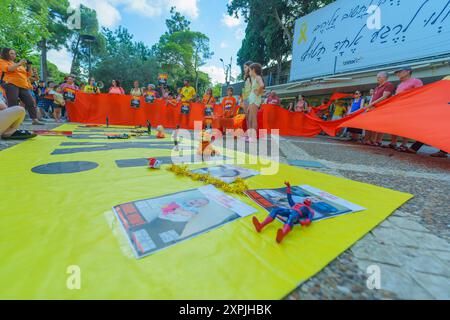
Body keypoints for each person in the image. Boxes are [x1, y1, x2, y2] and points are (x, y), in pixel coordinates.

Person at [0, 48, 43, 125]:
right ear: (5, 54)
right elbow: (9, 69)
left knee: (30, 101)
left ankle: (34, 119)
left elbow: (28, 75)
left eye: (14, 53)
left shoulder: (17, 64)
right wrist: (19, 63)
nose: (14, 55)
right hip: (10, 83)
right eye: (11, 53)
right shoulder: (2, 61)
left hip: (23, 85)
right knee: (13, 102)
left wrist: (29, 66)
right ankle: (13, 121)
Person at [386, 67, 424, 152]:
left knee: (405, 126)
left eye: (399, 72)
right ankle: (393, 143)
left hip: (408, 108)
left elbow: (420, 93)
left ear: (408, 72)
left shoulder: (416, 81)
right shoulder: (399, 85)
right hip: (397, 108)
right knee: (394, 125)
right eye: (397, 73)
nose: (398, 74)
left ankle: (404, 144)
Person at [364, 72, 395, 146]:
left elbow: (384, 96)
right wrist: (369, 105)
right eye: (377, 77)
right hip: (372, 108)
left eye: (379, 77)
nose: (377, 78)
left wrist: (371, 104)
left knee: (375, 125)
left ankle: (374, 140)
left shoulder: (388, 85)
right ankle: (367, 139)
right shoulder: (377, 87)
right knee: (368, 125)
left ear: (385, 77)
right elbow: (373, 98)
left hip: (380, 108)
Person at [247, 63, 265, 142]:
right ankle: (250, 136)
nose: (249, 72)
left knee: (254, 119)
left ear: (253, 70)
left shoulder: (258, 77)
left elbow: (262, 85)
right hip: (252, 100)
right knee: (250, 119)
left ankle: (253, 137)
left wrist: (258, 92)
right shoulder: (254, 79)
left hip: (255, 100)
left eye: (250, 70)